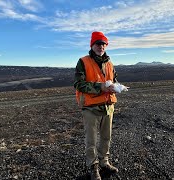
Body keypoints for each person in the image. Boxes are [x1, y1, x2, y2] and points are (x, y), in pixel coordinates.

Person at [74, 31, 119, 180]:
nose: (101, 46)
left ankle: (104, 162)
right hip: (91, 108)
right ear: (92, 45)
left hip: (108, 106)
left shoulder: (109, 63)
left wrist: (118, 87)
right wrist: (100, 87)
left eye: (104, 43)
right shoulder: (83, 61)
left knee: (106, 137)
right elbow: (79, 84)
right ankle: (93, 167)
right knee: (91, 140)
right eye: (98, 43)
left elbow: (114, 80)